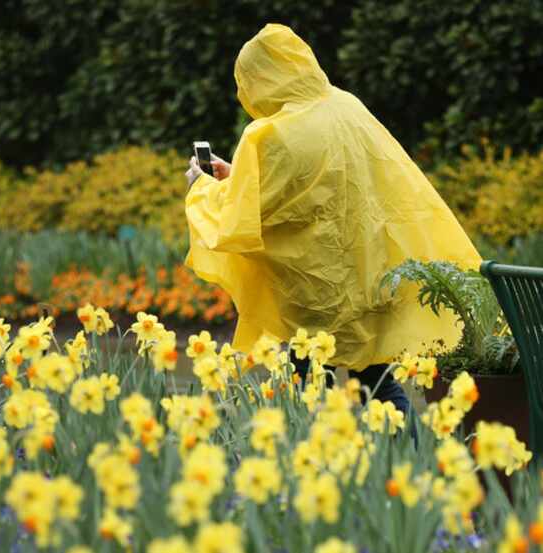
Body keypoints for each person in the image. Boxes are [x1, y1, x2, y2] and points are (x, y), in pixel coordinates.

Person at [183, 23, 482, 414]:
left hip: (313, 289)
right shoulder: (347, 106)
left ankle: (314, 466)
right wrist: (237, 172)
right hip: (372, 275)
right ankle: (404, 462)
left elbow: (241, 218)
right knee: (378, 388)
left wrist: (201, 186)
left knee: (305, 390)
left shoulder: (270, 134)